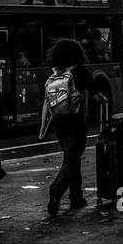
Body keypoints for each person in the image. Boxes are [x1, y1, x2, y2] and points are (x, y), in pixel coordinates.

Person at [38, 38, 95, 216]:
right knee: (72, 159)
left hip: (58, 123)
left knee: (72, 156)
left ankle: (76, 197)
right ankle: (57, 188)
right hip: (76, 121)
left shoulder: (54, 75)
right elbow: (96, 95)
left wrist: (43, 127)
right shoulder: (81, 73)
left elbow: (47, 102)